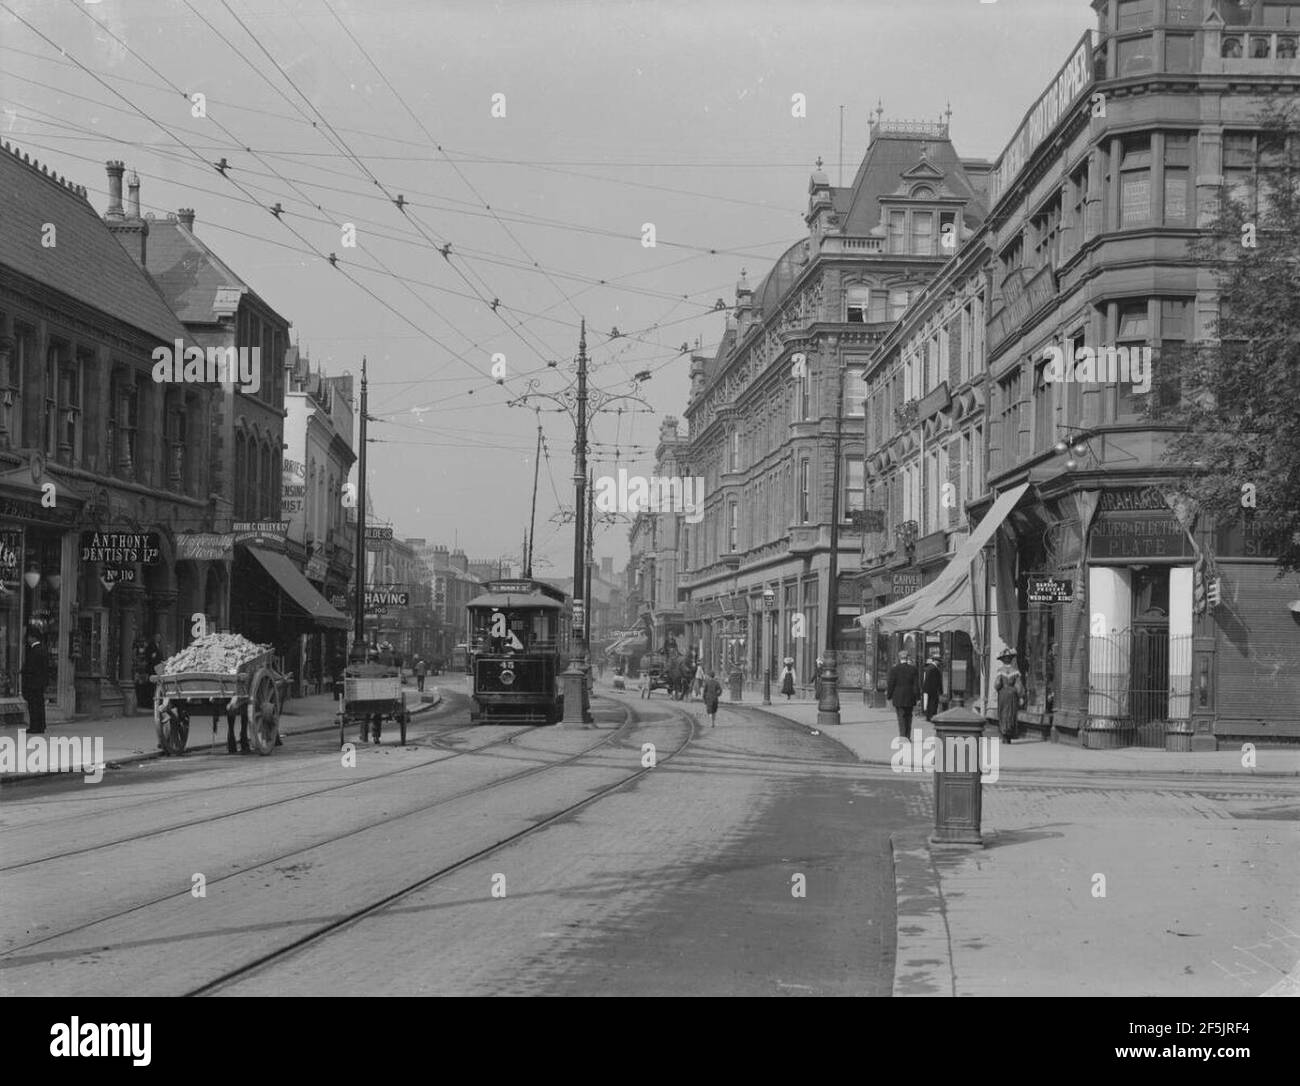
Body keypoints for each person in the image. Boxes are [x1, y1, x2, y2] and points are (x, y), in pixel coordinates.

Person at [886, 649, 921, 740]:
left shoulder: (894, 670)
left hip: (898, 697)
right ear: (907, 657)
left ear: (899, 658)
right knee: (909, 717)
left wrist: (889, 696)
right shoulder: (913, 669)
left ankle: (902, 736)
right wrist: (918, 698)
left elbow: (891, 684)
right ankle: (908, 736)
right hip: (910, 696)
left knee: (901, 717)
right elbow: (916, 685)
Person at [20, 624, 49, 735]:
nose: (27, 640)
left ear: (32, 637)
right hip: (40, 683)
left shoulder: (34, 650)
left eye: (28, 638)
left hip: (33, 683)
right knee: (39, 705)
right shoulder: (43, 649)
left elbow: (31, 668)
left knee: (33, 706)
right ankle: (41, 725)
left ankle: (34, 726)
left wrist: (23, 671)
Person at [994, 648, 1025, 743]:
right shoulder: (1015, 671)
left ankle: (1004, 733)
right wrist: (1020, 696)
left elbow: (997, 684)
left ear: (1002, 660)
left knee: (1002, 713)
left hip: (1003, 695)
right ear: (1011, 659)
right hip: (1012, 695)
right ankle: (1009, 734)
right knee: (1011, 713)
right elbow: (1019, 686)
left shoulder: (1000, 671)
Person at [921, 652, 943, 722]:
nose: (939, 662)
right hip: (933, 689)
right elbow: (936, 681)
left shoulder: (929, 668)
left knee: (929, 703)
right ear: (936, 661)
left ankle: (929, 716)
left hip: (929, 689)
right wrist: (940, 690)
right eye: (939, 661)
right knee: (933, 704)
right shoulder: (933, 669)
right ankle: (932, 716)